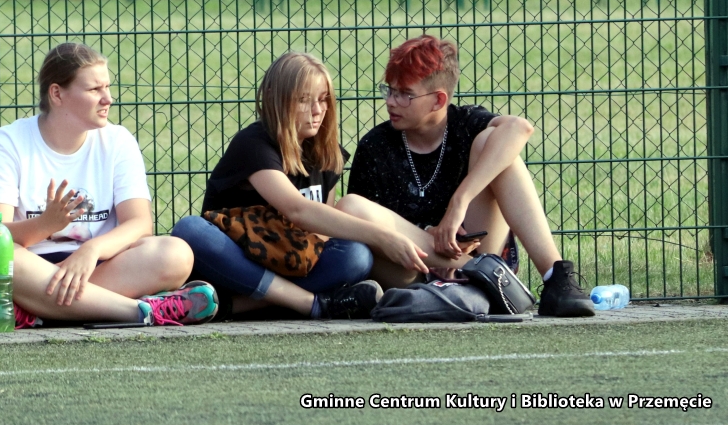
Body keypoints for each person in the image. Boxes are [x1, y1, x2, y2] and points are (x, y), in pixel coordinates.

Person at [339, 36, 595, 317]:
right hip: (411, 267)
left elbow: (519, 128)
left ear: (438, 100)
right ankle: (478, 282)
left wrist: (459, 203)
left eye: (405, 94)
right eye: (389, 90)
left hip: (478, 255)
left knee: (494, 143)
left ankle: (555, 279)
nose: (391, 101)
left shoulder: (465, 123)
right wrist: (430, 237)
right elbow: (364, 229)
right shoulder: (375, 146)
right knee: (350, 206)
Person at [0, 42, 218, 327]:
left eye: (107, 87)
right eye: (94, 89)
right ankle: (139, 311)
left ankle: (40, 310)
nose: (108, 99)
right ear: (57, 94)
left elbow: (139, 224)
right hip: (31, 266)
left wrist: (92, 250)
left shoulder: (118, 141)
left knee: (176, 254)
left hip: (99, 265)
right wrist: (46, 224)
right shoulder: (8, 143)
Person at [172, 52, 429, 321]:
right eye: (304, 100)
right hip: (238, 263)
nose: (318, 110)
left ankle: (232, 306)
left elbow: (322, 231)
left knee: (356, 256)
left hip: (292, 264)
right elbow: (298, 210)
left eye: (323, 99)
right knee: (191, 230)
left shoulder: (327, 153)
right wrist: (383, 237)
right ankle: (311, 304)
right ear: (274, 98)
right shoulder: (253, 144)